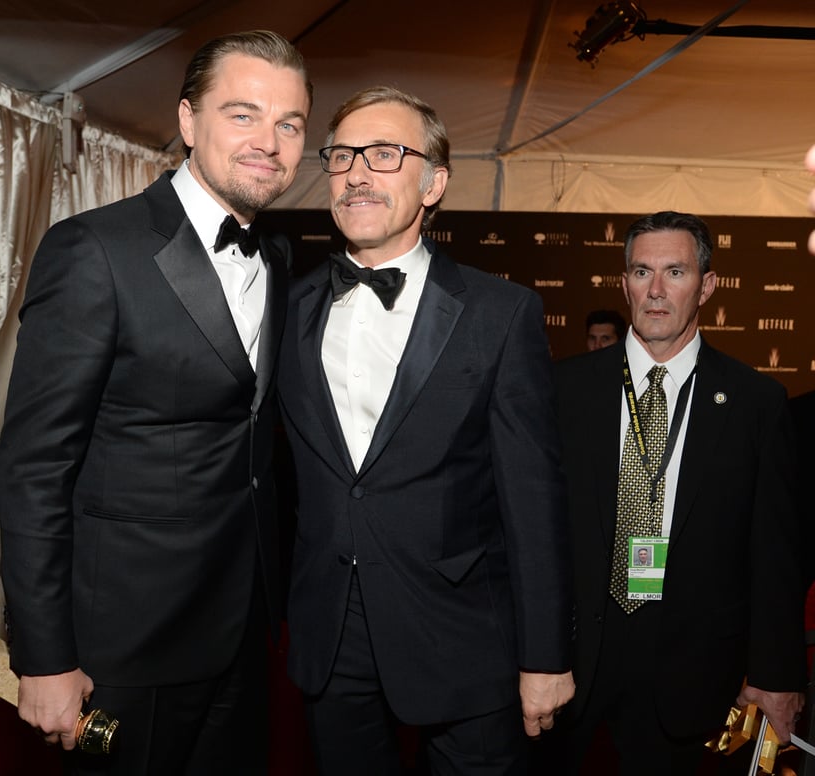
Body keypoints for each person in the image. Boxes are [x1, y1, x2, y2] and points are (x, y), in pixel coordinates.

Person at [0, 31, 311, 776]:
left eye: (290, 124)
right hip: (124, 644)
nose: (270, 142)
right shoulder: (94, 251)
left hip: (242, 629)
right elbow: (35, 468)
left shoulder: (280, 256)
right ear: (188, 121)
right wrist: (45, 658)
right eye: (243, 114)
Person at [276, 85, 574, 775]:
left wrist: (546, 656)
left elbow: (534, 504)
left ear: (433, 182)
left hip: (464, 636)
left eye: (385, 154)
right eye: (344, 154)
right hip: (330, 636)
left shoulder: (501, 313)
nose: (357, 171)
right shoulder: (287, 310)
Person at [550, 211, 806, 775]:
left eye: (676, 272)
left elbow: (776, 555)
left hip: (698, 670)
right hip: (574, 665)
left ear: (708, 286)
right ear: (624, 284)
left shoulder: (755, 402)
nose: (657, 291)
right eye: (642, 272)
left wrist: (777, 676)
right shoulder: (564, 389)